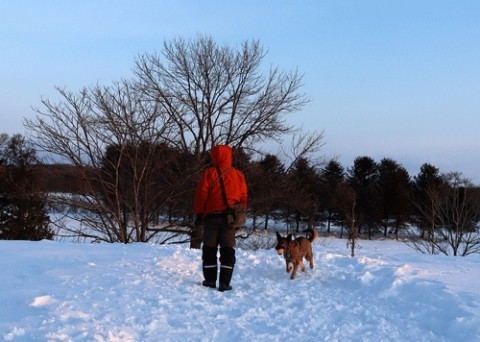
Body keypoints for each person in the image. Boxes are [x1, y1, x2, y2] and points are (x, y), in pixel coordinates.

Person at [193, 145, 248, 292]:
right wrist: (239, 213)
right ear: (229, 156)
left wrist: (199, 214)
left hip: (211, 218)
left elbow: (201, 195)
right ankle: (224, 283)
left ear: (215, 156)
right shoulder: (238, 175)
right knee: (227, 251)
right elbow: (243, 198)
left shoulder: (209, 173)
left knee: (209, 250)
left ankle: (210, 281)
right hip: (229, 220)